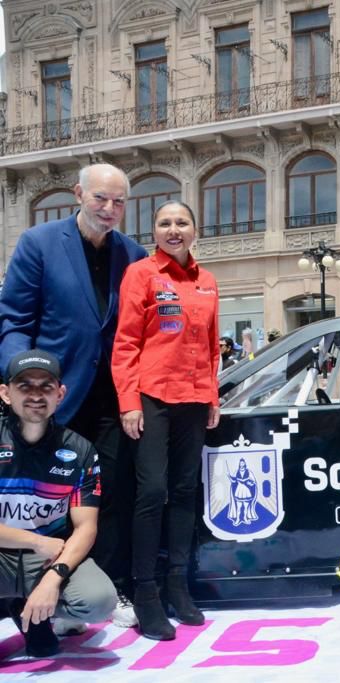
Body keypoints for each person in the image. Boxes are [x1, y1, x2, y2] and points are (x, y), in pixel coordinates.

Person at [0, 163, 146, 627]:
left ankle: (107, 589)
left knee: (111, 495)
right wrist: (22, 379)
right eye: (101, 198)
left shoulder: (134, 255)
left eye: (119, 201)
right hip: (54, 396)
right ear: (79, 194)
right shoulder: (39, 242)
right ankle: (44, 595)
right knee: (49, 496)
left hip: (114, 400)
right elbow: (15, 320)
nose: (109, 208)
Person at [111, 200, 220, 641]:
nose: (173, 229)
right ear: (153, 231)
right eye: (164, 223)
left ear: (195, 229)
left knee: (185, 490)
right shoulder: (141, 274)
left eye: (182, 222)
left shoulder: (207, 281)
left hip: (194, 398)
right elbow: (125, 343)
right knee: (152, 491)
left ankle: (178, 584)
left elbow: (211, 346)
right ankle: (146, 592)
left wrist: (211, 396)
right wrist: (129, 402)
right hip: (152, 396)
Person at [0, 350, 116, 656]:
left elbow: (86, 527)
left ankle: (31, 607)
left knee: (99, 601)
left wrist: (52, 580)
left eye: (46, 386)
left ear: (60, 394)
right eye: (25, 386)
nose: (36, 395)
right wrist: (36, 541)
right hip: (12, 553)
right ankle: (15, 603)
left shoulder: (80, 450)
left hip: (47, 560)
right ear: (6, 393)